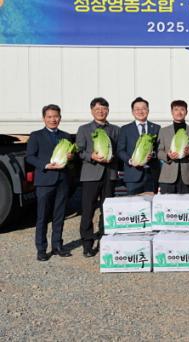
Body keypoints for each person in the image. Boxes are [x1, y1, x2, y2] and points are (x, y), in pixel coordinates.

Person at [25, 104, 74, 261]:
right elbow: (30, 157)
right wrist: (45, 165)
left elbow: (71, 160)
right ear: (44, 118)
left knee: (59, 215)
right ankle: (41, 249)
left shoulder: (66, 136)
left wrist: (71, 157)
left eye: (56, 116)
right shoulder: (36, 136)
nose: (53, 119)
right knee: (42, 216)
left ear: (60, 118)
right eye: (50, 117)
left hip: (62, 180)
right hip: (45, 180)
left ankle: (57, 245)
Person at [75, 97, 119, 257]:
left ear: (108, 110)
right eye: (97, 109)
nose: (101, 111)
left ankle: (105, 240)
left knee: (107, 210)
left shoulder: (115, 130)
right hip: (90, 175)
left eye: (104, 109)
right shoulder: (84, 129)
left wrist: (112, 157)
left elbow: (119, 150)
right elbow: (79, 151)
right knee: (88, 210)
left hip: (109, 173)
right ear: (92, 111)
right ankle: (87, 244)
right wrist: (91, 156)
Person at [116, 97, 161, 195]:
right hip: (133, 175)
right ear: (132, 112)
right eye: (137, 109)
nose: (141, 111)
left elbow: (160, 149)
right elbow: (120, 150)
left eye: (143, 108)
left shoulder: (156, 128)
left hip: (152, 174)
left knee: (152, 202)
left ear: (148, 110)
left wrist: (152, 155)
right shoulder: (125, 129)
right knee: (133, 203)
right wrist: (130, 161)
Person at [157, 100, 189, 194]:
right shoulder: (163, 131)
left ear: (186, 112)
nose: (179, 112)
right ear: (172, 112)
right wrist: (168, 156)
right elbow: (159, 151)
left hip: (187, 177)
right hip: (168, 176)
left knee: (187, 203)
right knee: (166, 203)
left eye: (182, 109)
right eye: (176, 109)